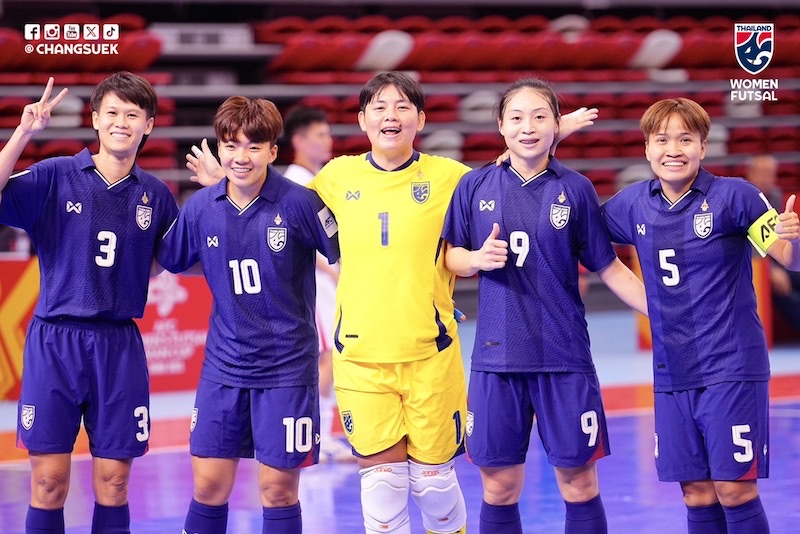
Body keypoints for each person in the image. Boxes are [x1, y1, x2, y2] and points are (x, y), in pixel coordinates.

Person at [187, 71, 597, 534]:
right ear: (362, 120)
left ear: (420, 118)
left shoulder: (450, 177)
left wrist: (552, 130)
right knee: (381, 496)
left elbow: (508, 169)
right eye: (379, 107)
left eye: (402, 106)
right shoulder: (336, 177)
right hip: (362, 358)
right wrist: (222, 180)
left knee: (434, 488)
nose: (390, 116)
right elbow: (271, 199)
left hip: (431, 354)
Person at [441, 77, 648, 534]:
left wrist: (661, 309)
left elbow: (608, 266)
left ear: (557, 124)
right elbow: (451, 255)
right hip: (497, 358)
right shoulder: (473, 185)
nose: (527, 127)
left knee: (578, 482)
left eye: (539, 116)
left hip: (564, 356)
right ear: (499, 125)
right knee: (498, 487)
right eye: (516, 117)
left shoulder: (576, 189)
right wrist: (475, 259)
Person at [602, 97, 800, 533]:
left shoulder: (737, 196)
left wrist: (794, 238)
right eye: (662, 139)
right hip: (672, 369)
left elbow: (788, 255)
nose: (674, 149)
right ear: (647, 148)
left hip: (732, 365)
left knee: (735, 489)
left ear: (703, 147)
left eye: (685, 139)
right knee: (696, 491)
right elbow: (576, 236)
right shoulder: (631, 203)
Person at [0, 73, 179, 533]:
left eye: (133, 115)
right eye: (113, 113)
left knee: (115, 481)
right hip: (55, 341)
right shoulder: (55, 175)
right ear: (95, 119)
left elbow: (170, 259)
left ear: (149, 126)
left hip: (118, 345)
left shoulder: (156, 195)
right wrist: (23, 133)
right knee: (49, 482)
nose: (122, 122)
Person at [158, 96, 339, 534]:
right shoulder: (203, 207)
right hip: (223, 370)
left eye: (254, 147)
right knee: (208, 488)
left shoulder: (301, 203)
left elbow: (352, 256)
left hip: (286, 372)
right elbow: (169, 256)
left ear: (273, 152)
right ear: (220, 149)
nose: (242, 157)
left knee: (278, 492)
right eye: (231, 145)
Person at [281, 105, 353, 462]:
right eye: (320, 135)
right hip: (312, 283)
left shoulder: (321, 177)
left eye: (328, 134)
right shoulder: (295, 182)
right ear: (299, 140)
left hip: (326, 280)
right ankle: (318, 436)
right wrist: (335, 271)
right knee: (324, 357)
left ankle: (322, 435)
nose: (328, 141)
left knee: (330, 357)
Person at [745, 154, 800, 334]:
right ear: (750, 174)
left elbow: (776, 238)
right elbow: (747, 243)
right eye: (761, 173)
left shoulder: (775, 196)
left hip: (776, 259)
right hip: (751, 267)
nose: (766, 179)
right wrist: (769, 269)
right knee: (781, 289)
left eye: (770, 174)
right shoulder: (741, 198)